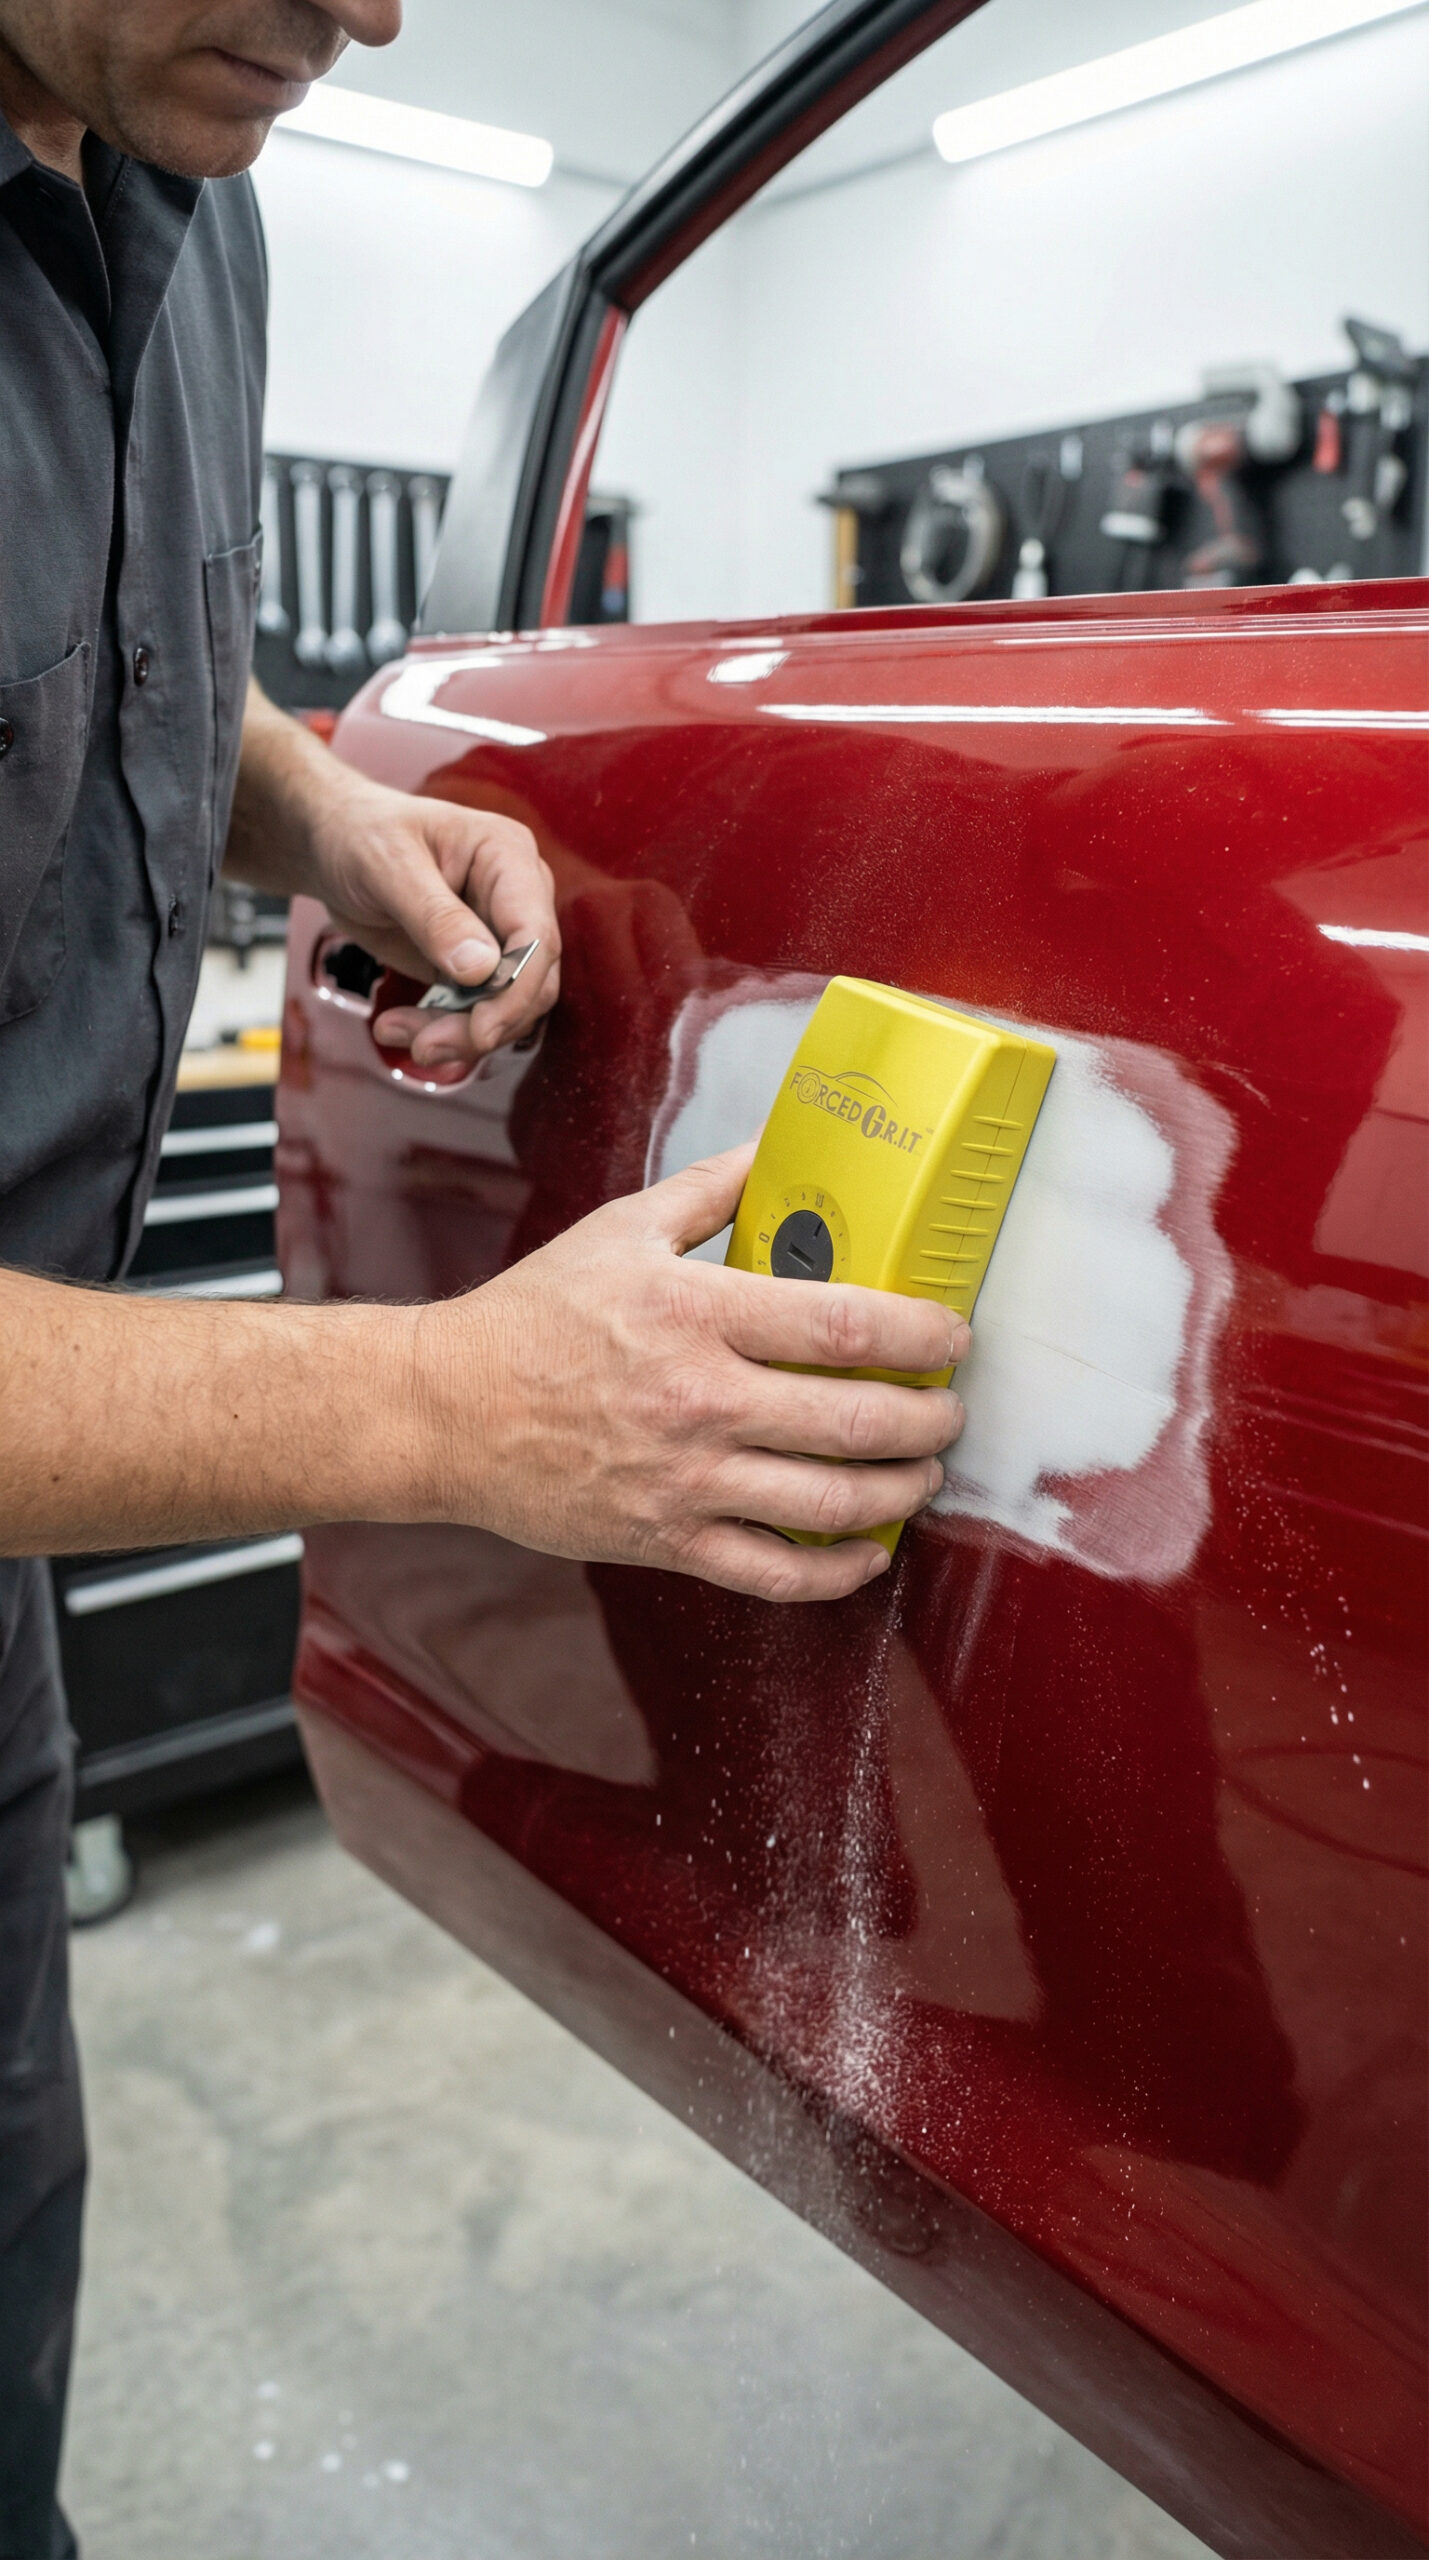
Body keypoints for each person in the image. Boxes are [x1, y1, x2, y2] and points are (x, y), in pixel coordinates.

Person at [0, 3, 968, 2548]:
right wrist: (452, 1411)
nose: (377, 12)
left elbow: (122, 645)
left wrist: (326, 812)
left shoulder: (182, 196)